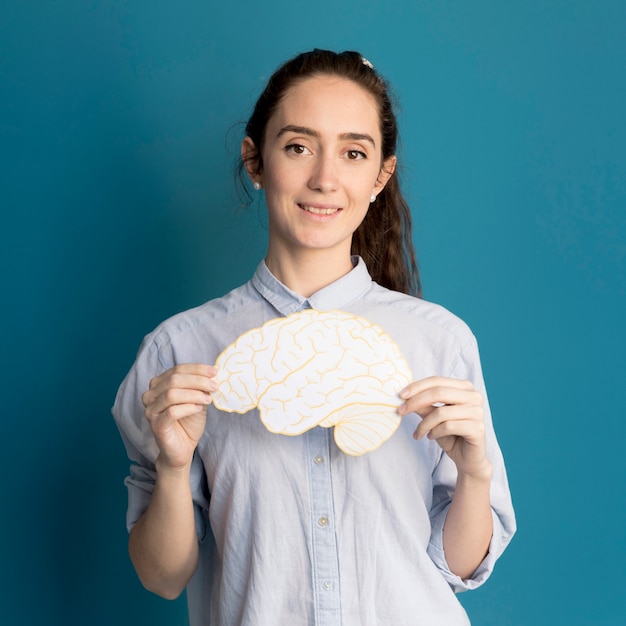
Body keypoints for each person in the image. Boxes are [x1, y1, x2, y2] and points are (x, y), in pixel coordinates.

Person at [113, 49, 516, 626]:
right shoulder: (179, 351)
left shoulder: (439, 342)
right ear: (255, 160)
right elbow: (162, 576)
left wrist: (475, 474)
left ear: (380, 176)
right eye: (298, 147)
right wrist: (175, 469)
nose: (325, 178)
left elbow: (460, 568)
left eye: (354, 153)